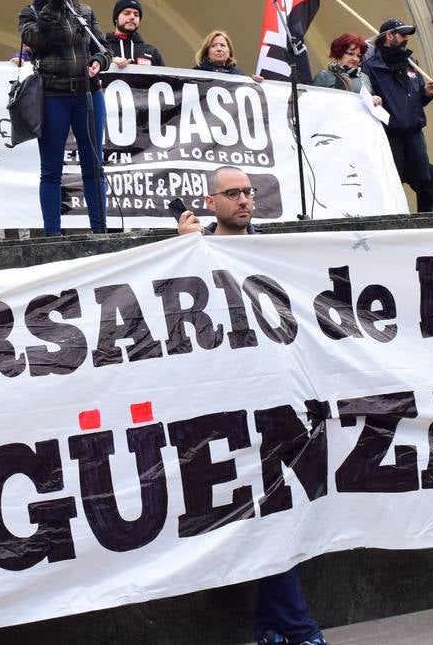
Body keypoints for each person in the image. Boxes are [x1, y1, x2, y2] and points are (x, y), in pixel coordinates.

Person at [176, 167, 327, 645]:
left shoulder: (272, 253)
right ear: (211, 201)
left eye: (248, 193)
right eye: (232, 194)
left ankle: (272, 628)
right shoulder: (196, 250)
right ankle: (299, 631)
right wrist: (184, 250)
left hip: (278, 404)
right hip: (226, 406)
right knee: (265, 515)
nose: (243, 200)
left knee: (275, 515)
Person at [18, 0, 110, 235]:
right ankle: (53, 237)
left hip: (88, 95)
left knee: (93, 166)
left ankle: (100, 231)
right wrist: (53, 4)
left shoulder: (84, 10)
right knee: (51, 170)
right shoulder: (30, 12)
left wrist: (99, 60)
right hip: (53, 97)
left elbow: (103, 46)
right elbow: (36, 40)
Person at [362, 19, 433, 211]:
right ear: (389, 36)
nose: (406, 39)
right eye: (402, 34)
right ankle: (398, 222)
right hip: (390, 135)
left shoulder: (410, 63)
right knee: (393, 182)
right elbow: (366, 99)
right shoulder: (371, 67)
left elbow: (417, 99)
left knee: (424, 181)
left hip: (414, 132)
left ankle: (427, 224)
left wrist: (428, 93)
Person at [104, 0, 165, 69]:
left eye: (136, 15)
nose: (132, 17)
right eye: (127, 13)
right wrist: (110, 61)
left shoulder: (151, 51)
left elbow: (164, 79)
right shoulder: (102, 48)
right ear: (116, 18)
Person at [193, 30, 258, 80]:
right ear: (207, 52)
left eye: (222, 45)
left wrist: (255, 84)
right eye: (213, 46)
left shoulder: (238, 75)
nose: (219, 49)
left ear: (229, 51)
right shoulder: (196, 73)